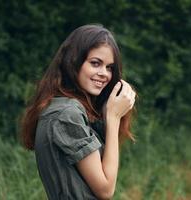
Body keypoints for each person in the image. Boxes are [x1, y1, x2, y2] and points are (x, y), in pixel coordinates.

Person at [21, 24, 136, 200]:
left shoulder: (69, 108)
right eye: (95, 63)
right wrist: (113, 118)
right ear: (73, 61)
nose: (104, 74)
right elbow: (105, 190)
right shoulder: (66, 114)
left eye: (109, 67)